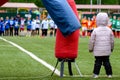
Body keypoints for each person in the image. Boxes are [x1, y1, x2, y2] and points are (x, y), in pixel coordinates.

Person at [89, 12, 114, 78]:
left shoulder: (95, 30)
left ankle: (96, 74)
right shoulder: (109, 30)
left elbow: (92, 41)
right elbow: (112, 41)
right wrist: (111, 48)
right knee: (107, 62)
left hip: (98, 50)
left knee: (97, 62)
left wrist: (90, 49)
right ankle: (109, 74)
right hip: (106, 50)